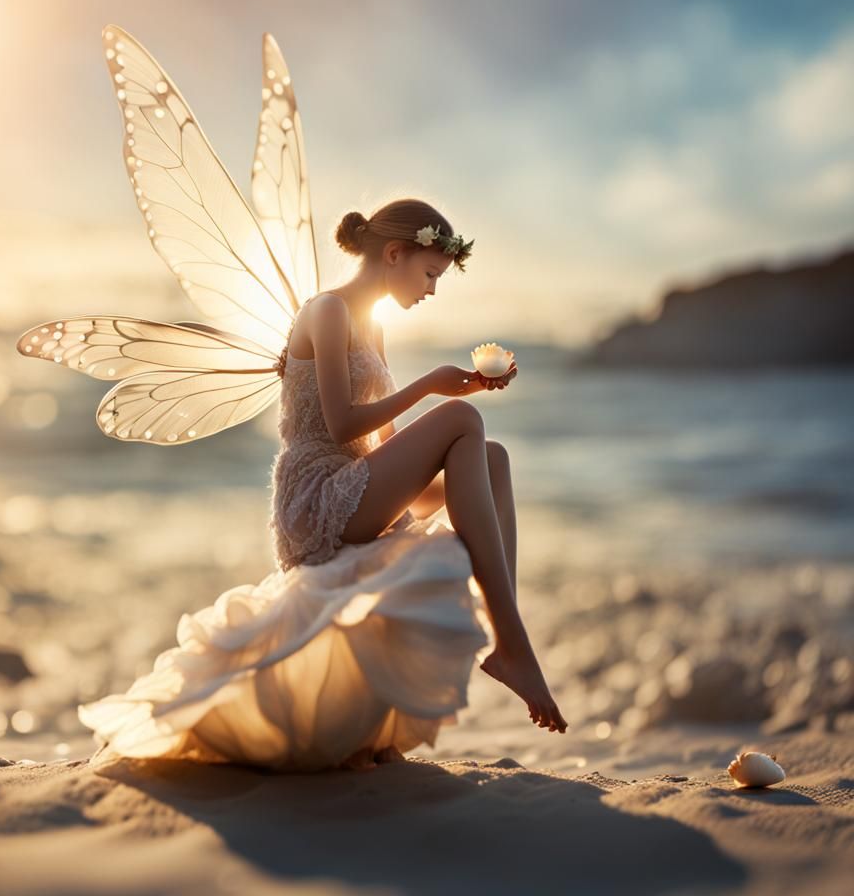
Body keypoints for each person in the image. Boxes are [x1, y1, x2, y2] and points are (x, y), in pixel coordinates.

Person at [78, 197, 567, 775]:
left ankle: (507, 638)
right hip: (316, 494)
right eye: (430, 274)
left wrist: (449, 410)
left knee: (492, 458)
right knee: (462, 425)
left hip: (359, 481)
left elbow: (384, 446)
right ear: (394, 254)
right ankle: (513, 646)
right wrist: (433, 388)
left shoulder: (374, 329)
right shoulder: (327, 312)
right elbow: (340, 426)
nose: (432, 290)